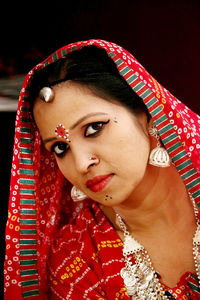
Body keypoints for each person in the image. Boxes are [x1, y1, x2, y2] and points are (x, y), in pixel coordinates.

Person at [4, 39, 200, 300]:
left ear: (147, 112)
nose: (82, 163)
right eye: (61, 148)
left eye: (94, 128)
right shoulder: (76, 260)